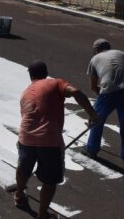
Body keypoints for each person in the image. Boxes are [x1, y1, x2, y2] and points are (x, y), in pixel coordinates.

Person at [15, 61, 99, 219]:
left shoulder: (25, 93)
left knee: (23, 168)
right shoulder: (55, 82)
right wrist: (93, 114)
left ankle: (19, 196)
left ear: (31, 75)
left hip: (25, 137)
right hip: (49, 141)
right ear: (45, 72)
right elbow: (76, 92)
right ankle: (42, 215)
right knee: (49, 180)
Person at [85, 39, 124, 169]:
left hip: (107, 93)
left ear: (96, 49)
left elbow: (93, 86)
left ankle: (92, 150)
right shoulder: (122, 53)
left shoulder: (94, 59)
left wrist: (102, 99)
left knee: (96, 122)